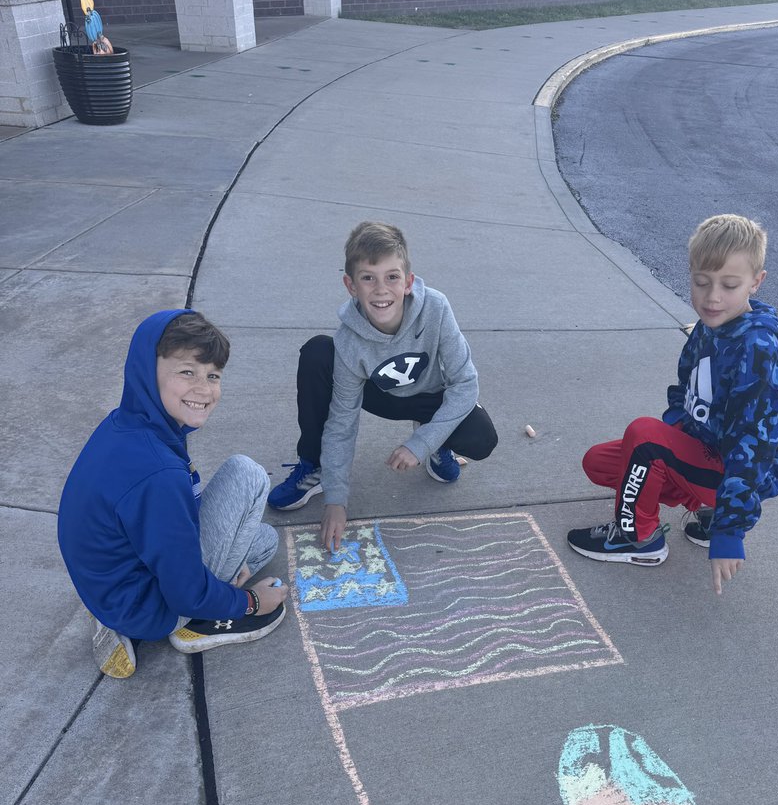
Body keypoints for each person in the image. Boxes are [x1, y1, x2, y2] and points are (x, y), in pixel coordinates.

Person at [567, 214, 778, 595]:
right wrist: (676, 429)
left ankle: (640, 540)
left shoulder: (757, 348)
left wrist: (730, 532)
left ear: (756, 282)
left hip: (733, 469)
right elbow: (684, 386)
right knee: (601, 462)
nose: (712, 297)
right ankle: (704, 511)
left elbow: (754, 444)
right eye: (701, 282)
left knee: (644, 437)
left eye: (730, 285)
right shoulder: (712, 324)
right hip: (707, 454)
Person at [58, 309, 289, 678]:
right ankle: (194, 626)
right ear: (148, 371)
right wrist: (249, 601)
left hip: (106, 581)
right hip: (152, 607)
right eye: (187, 372)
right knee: (249, 475)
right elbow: (185, 592)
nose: (204, 388)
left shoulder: (126, 422)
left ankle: (107, 613)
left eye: (212, 375)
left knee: (262, 540)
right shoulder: (159, 473)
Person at [267, 221, 498, 551]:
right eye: (367, 278)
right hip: (379, 394)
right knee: (319, 351)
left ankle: (436, 445)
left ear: (408, 282)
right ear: (350, 285)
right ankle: (315, 465)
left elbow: (465, 383)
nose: (380, 289)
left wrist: (421, 443)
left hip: (430, 396)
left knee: (482, 437)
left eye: (392, 276)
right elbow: (342, 424)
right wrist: (336, 500)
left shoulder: (436, 307)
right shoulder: (349, 341)